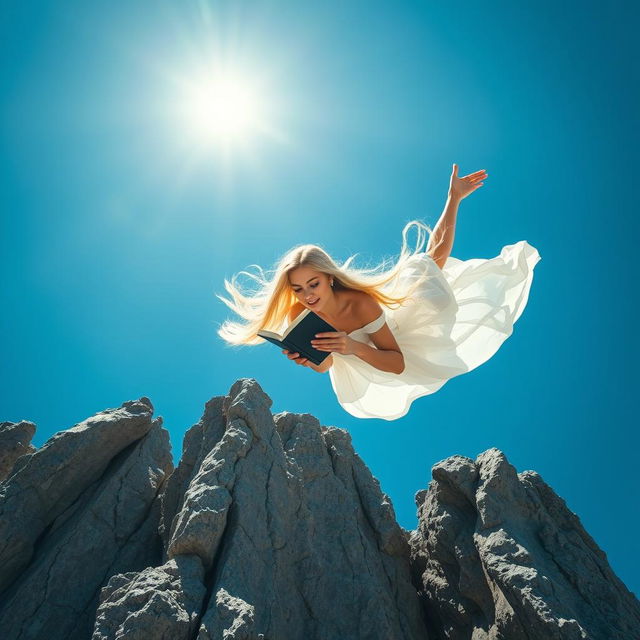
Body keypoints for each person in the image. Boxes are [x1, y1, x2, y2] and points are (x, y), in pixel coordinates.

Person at [217, 164, 541, 420]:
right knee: (425, 265)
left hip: (397, 342)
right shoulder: (297, 312)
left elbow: (398, 363)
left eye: (313, 284)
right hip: (351, 359)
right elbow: (327, 365)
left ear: (330, 278)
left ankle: (454, 198)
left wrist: (353, 346)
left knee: (426, 265)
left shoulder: (361, 304)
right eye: (298, 289)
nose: (307, 295)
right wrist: (308, 360)